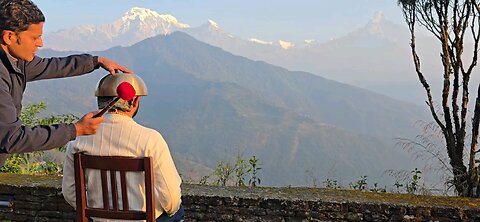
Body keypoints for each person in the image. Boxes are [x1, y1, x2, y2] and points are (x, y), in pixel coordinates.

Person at [0, 0, 133, 166]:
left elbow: (54, 66)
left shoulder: (16, 62)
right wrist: (76, 129)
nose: (40, 43)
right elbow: (12, 138)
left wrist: (96, 61)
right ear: (9, 37)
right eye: (35, 37)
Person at [62, 74, 184, 222]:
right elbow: (170, 198)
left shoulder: (78, 139)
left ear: (100, 101)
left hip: (98, 219)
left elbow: (70, 193)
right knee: (177, 211)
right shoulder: (151, 139)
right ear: (135, 101)